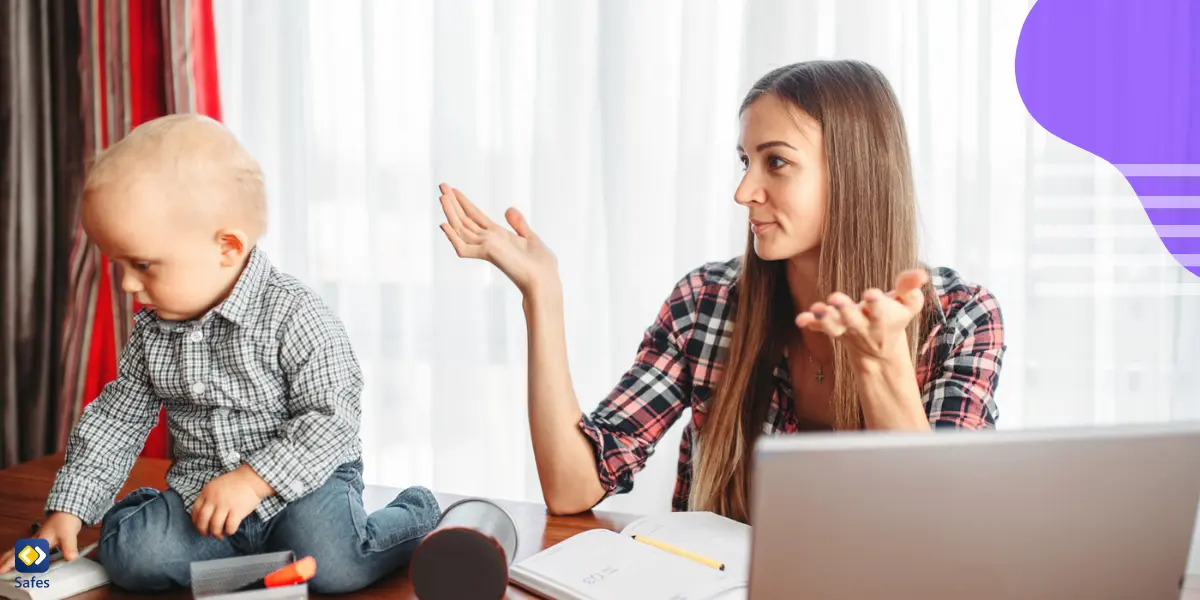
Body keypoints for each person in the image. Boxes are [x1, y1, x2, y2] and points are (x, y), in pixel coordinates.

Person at [436, 59, 1006, 523]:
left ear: (854, 174)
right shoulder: (707, 301)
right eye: (744, 161)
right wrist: (542, 292)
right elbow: (572, 487)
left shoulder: (961, 320)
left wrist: (883, 369)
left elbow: (940, 536)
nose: (743, 192)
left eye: (775, 162)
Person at [0, 114, 441, 593]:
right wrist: (67, 510)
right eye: (119, 265)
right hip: (203, 497)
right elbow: (116, 421)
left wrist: (253, 480)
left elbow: (333, 418)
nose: (127, 284)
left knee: (334, 564)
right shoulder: (153, 331)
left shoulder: (294, 313)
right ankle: (261, 566)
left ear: (227, 247)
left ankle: (417, 515)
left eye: (143, 265)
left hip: (301, 489)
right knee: (129, 553)